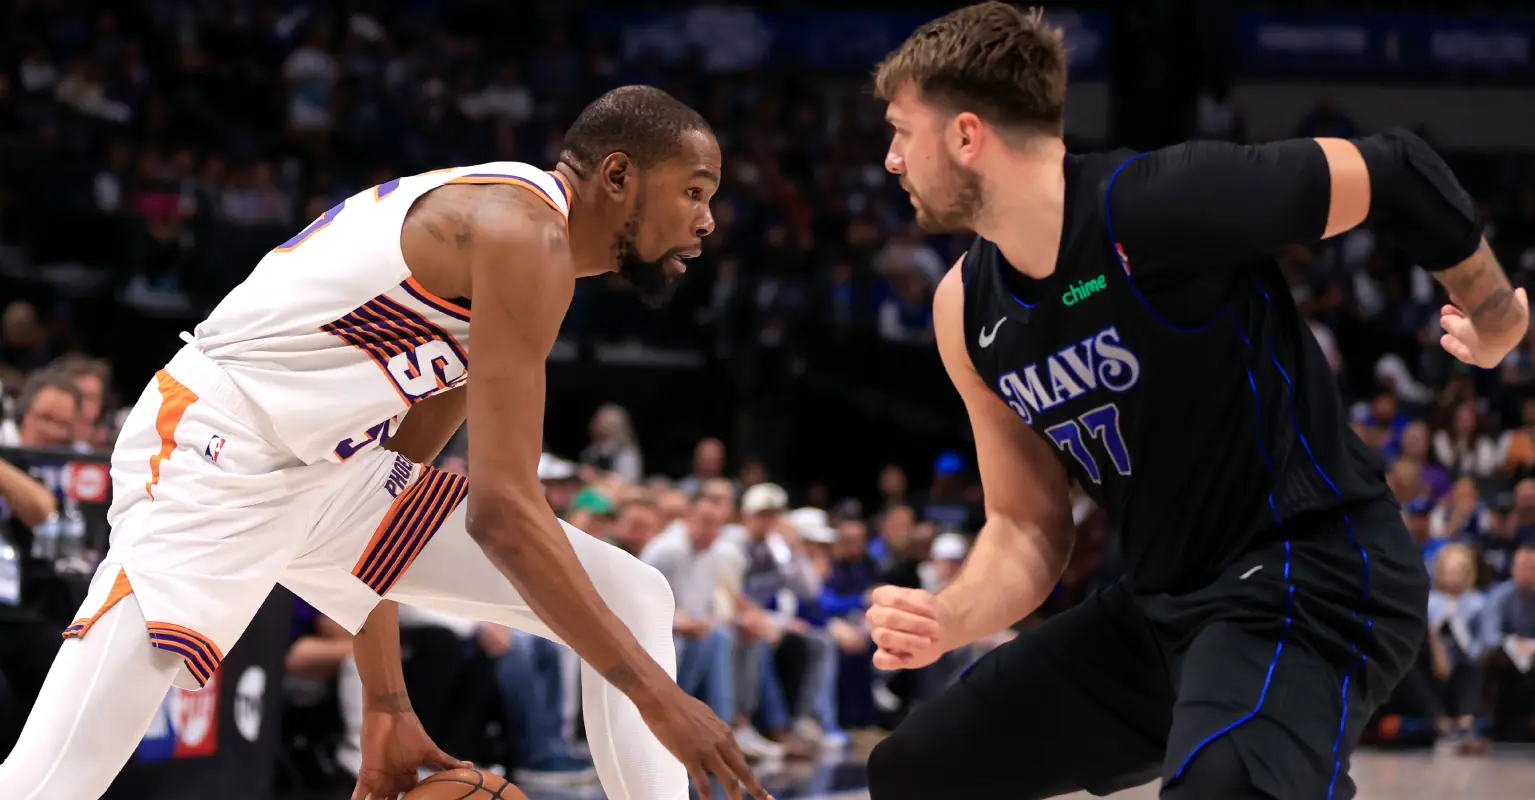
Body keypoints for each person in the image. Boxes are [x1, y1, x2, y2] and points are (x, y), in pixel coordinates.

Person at [0, 85, 770, 800]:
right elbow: (502, 512)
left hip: (327, 470)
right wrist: (660, 700)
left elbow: (399, 473)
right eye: (694, 191)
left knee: (634, 595)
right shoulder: (520, 235)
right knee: (59, 777)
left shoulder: (530, 251)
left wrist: (386, 699)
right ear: (617, 175)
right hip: (218, 451)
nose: (706, 220)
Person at [861, 5, 1530, 800]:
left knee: (1222, 789)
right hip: (1162, 607)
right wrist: (950, 615)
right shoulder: (962, 308)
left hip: (1308, 573)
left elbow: (1393, 169)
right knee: (914, 773)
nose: (892, 159)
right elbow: (1025, 525)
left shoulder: (1153, 206)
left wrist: (1494, 315)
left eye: (903, 131)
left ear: (966, 135)